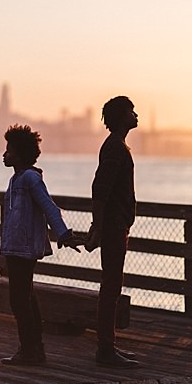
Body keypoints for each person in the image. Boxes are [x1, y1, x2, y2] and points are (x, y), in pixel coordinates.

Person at [0, 124, 82, 366]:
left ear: (20, 153)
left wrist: (64, 234)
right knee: (26, 296)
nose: (4, 154)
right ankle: (34, 349)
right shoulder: (17, 180)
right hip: (16, 247)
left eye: (9, 150)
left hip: (23, 249)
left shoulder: (30, 179)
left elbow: (49, 207)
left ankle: (29, 350)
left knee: (19, 299)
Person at [85, 95, 139, 368]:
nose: (136, 114)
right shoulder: (116, 148)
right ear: (121, 116)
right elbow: (100, 188)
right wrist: (98, 225)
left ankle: (109, 346)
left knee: (112, 285)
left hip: (118, 224)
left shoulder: (117, 146)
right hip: (114, 226)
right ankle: (105, 349)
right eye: (131, 110)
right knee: (111, 286)